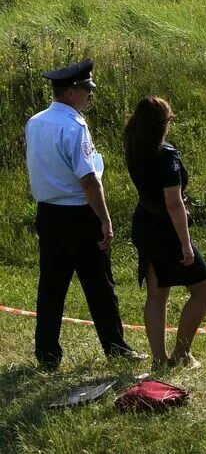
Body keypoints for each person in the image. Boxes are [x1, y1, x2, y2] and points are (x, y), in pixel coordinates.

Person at [25, 58, 138, 369]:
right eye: (87, 90)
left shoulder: (35, 122)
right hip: (78, 213)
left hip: (48, 213)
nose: (90, 95)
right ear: (72, 92)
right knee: (99, 285)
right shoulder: (75, 125)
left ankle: (47, 354)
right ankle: (115, 347)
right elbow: (88, 179)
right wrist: (104, 219)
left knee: (51, 286)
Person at [123, 96, 206, 370]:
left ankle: (159, 359)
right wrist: (185, 245)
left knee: (156, 293)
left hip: (144, 222)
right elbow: (173, 203)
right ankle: (182, 354)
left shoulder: (135, 148)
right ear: (163, 123)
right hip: (167, 228)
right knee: (204, 289)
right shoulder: (166, 156)